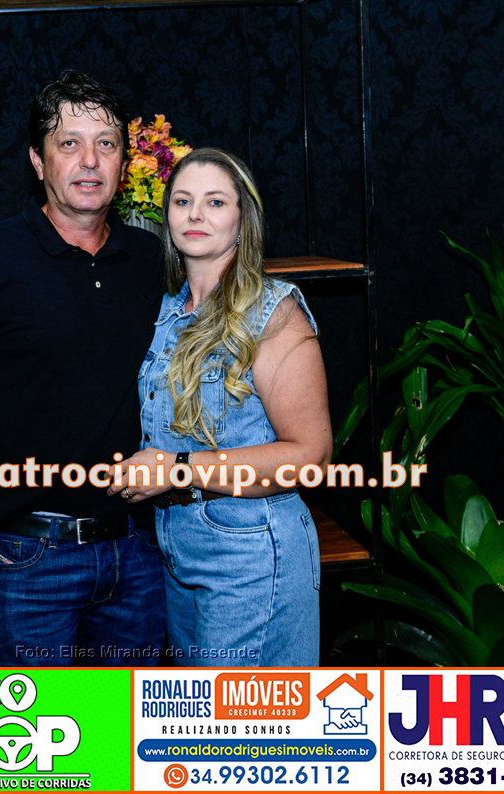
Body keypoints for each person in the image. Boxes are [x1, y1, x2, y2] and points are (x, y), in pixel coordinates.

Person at [0, 70, 166, 666]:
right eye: (69, 143)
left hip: (140, 558)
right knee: (29, 728)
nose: (90, 161)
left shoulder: (155, 259)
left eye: (106, 144)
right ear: (37, 160)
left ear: (124, 162)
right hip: (28, 560)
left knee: (126, 726)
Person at [109, 148, 332, 666]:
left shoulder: (273, 313)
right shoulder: (167, 312)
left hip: (252, 557)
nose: (195, 214)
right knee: (201, 714)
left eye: (214, 202)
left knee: (240, 718)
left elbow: (311, 457)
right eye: (182, 201)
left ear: (242, 219)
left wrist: (178, 468)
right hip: (177, 554)